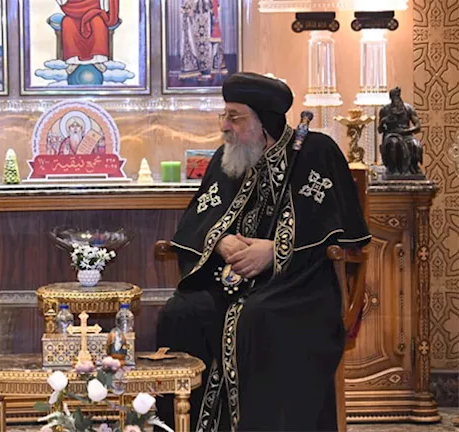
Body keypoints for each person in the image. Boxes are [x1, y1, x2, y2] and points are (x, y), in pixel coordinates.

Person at [155, 72, 371, 431]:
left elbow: (339, 228)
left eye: (235, 117)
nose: (225, 126)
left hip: (299, 286)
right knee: (181, 313)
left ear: (265, 120)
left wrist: (275, 251)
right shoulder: (228, 158)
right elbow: (200, 217)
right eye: (224, 115)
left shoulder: (315, 151)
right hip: (230, 283)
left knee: (256, 318)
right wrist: (220, 240)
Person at [56, 0, 119, 73]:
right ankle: (74, 60)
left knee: (98, 23)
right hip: (73, 11)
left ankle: (98, 59)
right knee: (67, 23)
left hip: (93, 10)